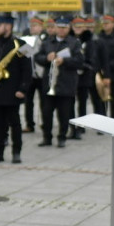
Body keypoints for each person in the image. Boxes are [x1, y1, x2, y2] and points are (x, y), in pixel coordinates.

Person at [0, 13, 31, 164]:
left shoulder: (23, 44)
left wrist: (23, 89)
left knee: (14, 123)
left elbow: (27, 70)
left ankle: (16, 152)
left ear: (8, 26)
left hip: (13, 91)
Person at [35, 16, 82, 148]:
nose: (61, 30)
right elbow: (38, 57)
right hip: (49, 82)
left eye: (64, 28)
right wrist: (46, 58)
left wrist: (64, 61)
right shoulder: (47, 42)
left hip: (66, 83)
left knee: (64, 113)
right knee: (46, 112)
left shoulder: (74, 43)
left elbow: (79, 61)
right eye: (59, 27)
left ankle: (62, 137)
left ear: (68, 28)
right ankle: (47, 137)